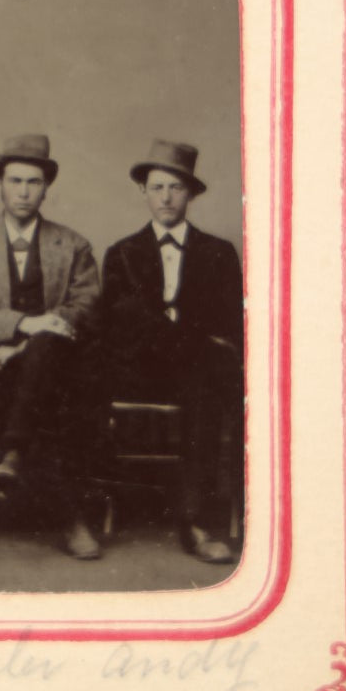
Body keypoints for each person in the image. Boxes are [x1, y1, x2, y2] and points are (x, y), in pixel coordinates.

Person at [0, 134, 104, 560]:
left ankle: (15, 451)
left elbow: (86, 306)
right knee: (46, 392)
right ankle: (71, 521)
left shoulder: (73, 245)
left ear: (46, 188)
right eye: (14, 181)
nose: (23, 191)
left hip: (56, 361)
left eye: (33, 182)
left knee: (48, 365)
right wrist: (24, 327)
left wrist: (38, 340)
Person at [100, 139, 244, 564]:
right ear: (143, 191)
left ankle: (194, 520)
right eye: (157, 187)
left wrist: (192, 343)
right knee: (189, 356)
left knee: (204, 383)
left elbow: (228, 322)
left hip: (198, 372)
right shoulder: (121, 254)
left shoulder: (219, 253)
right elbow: (121, 325)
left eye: (176, 188)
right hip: (142, 368)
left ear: (191, 194)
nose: (166, 197)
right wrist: (185, 339)